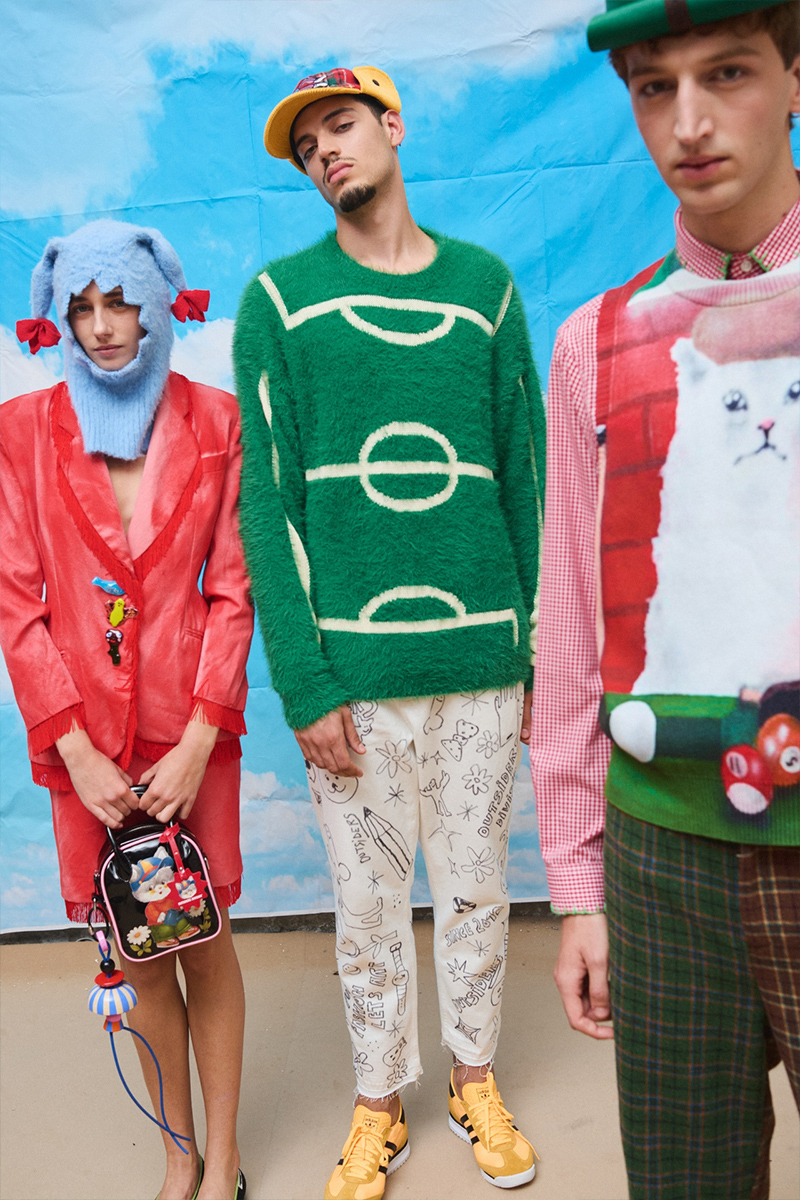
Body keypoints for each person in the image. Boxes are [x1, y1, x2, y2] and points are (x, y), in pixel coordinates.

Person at [234, 65, 545, 1200]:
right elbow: (267, 507)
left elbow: (526, 476)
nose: (326, 150)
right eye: (306, 144)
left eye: (341, 126)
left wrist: (532, 654)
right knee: (366, 910)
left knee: (476, 888)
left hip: (481, 662)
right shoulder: (279, 304)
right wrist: (305, 683)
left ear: (392, 127)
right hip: (353, 677)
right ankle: (378, 1102)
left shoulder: (485, 291)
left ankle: (472, 1078)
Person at [531, 2, 799, 1196]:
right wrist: (577, 885)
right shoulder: (593, 342)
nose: (687, 122)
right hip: (661, 858)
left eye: (726, 73)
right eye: (653, 86)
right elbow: (569, 623)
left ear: (793, 77)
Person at [1, 219, 253, 1200]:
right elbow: (18, 604)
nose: (103, 326)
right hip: (84, 748)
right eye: (83, 308)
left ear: (156, 304)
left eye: (120, 302)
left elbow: (232, 591)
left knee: (205, 942)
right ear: (60, 319)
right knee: (140, 952)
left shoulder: (218, 422)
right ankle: (178, 1154)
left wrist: (200, 735)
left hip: (193, 732)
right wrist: (72, 750)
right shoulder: (22, 434)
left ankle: (225, 1157)